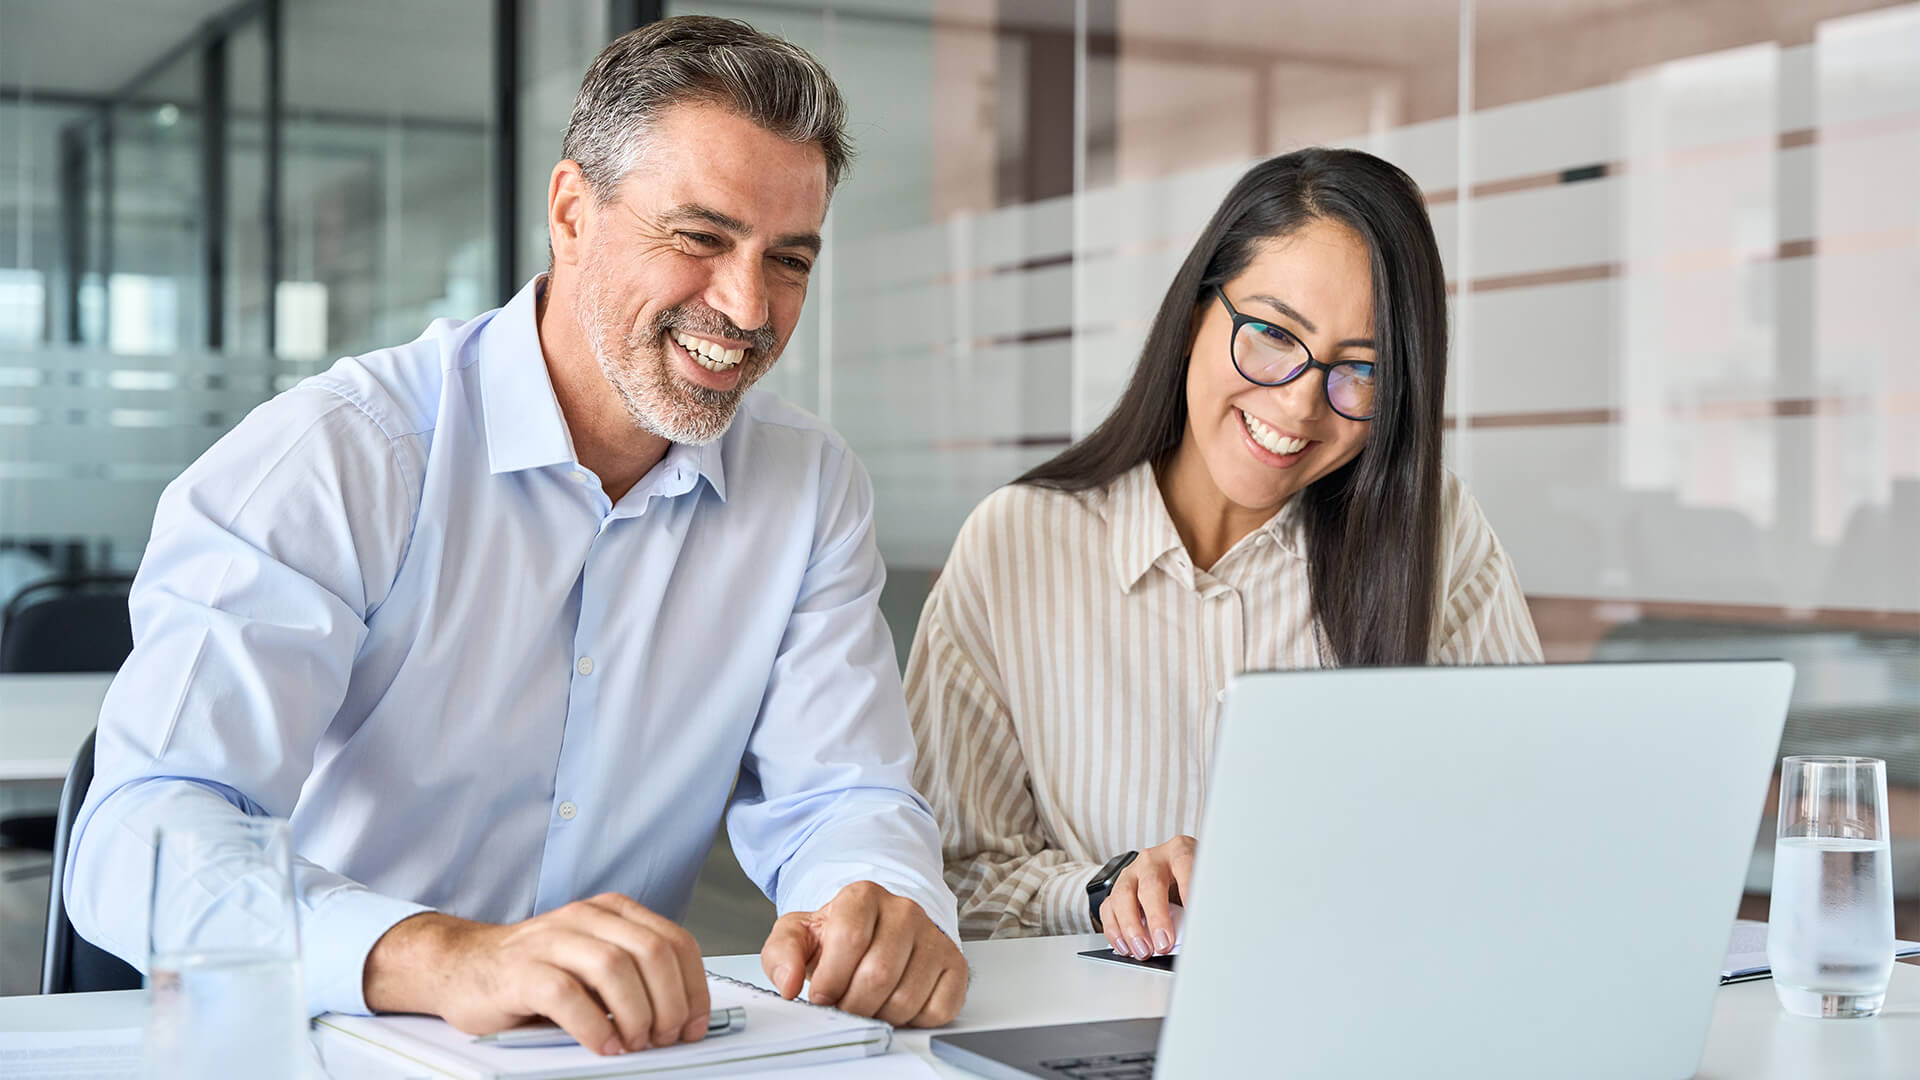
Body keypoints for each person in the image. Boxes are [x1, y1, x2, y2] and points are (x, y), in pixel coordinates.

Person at [66, 17, 965, 1054]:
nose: (747, 305)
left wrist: (879, 902)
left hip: (610, 1055)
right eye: (701, 238)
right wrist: (447, 956)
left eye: (790, 259)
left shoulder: (808, 488)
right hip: (323, 1038)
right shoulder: (342, 456)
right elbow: (142, 836)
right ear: (573, 212)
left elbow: (841, 794)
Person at [906, 148, 1543, 960]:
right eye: (1274, 334)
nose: (1301, 402)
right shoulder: (1017, 545)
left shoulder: (1438, 537)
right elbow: (950, 884)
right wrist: (1108, 891)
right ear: (1193, 317)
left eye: (1362, 370)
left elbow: (1518, 840)